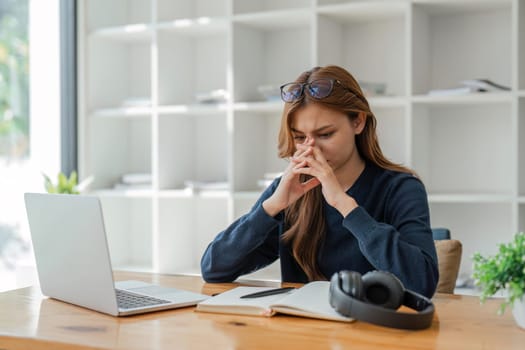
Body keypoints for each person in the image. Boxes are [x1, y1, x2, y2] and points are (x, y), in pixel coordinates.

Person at [200, 65, 438, 298]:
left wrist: (345, 206)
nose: (312, 149)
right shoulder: (290, 190)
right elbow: (214, 268)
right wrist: (270, 208)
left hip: (373, 330)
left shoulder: (401, 188)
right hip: (305, 332)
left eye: (325, 134)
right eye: (300, 137)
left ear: (358, 122)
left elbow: (421, 283)